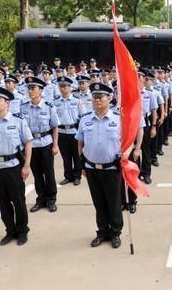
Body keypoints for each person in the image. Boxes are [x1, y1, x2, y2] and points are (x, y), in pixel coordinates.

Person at [76, 82, 129, 248]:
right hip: (92, 168)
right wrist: (83, 165)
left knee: (113, 202)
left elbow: (128, 142)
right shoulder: (85, 120)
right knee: (98, 202)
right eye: (95, 97)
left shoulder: (118, 119)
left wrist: (127, 154)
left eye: (101, 97)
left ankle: (115, 232)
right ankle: (102, 231)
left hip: (112, 168)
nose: (97, 100)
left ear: (109, 98)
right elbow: (80, 143)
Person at [0, 86, 33, 246]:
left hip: (13, 167)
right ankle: (10, 231)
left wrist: (26, 166)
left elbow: (28, 143)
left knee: (18, 201)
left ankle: (22, 231)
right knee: (3, 202)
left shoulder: (18, 121)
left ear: (7, 102)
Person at [21, 76, 60, 213]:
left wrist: (55, 145)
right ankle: (41, 198)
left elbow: (55, 127)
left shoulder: (49, 106)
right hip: (31, 146)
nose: (30, 91)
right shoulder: (24, 107)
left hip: (46, 143)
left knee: (49, 173)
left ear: (41, 90)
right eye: (29, 88)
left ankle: (51, 199)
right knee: (37, 174)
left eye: (33, 88)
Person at [54, 76, 84, 186]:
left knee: (76, 156)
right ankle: (68, 176)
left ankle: (77, 176)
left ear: (70, 87)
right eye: (61, 86)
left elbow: (82, 117)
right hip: (62, 132)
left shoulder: (77, 101)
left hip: (74, 132)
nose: (63, 88)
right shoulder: (55, 102)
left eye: (65, 86)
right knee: (65, 157)